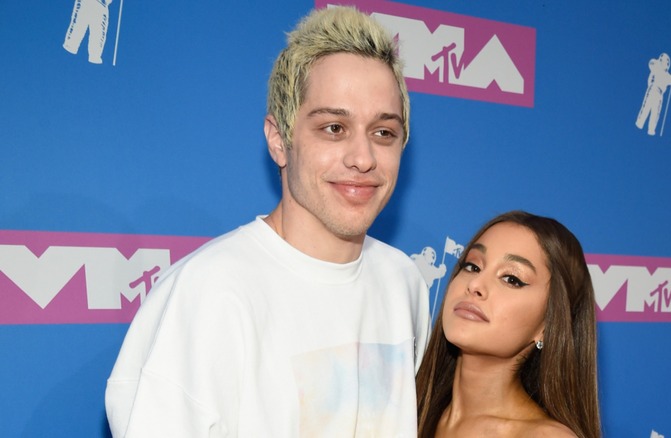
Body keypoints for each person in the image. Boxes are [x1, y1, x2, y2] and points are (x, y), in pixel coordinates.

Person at [105, 6, 430, 437]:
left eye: (383, 132)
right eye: (333, 128)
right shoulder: (210, 292)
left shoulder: (402, 281)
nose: (363, 158)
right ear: (280, 140)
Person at [416, 211, 601, 438]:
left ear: (549, 325)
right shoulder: (406, 410)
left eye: (511, 279)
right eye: (472, 266)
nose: (475, 284)